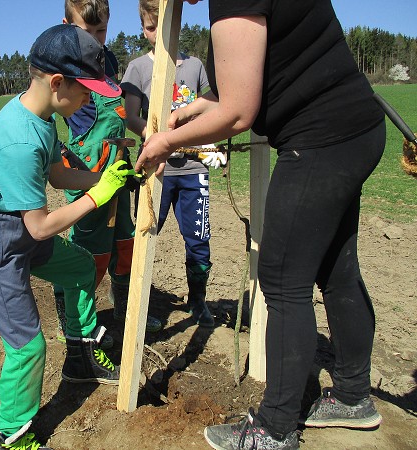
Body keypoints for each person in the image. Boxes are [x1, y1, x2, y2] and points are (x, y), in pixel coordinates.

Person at [137, 0, 386, 448]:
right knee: (337, 269)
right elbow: (249, 78)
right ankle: (353, 396)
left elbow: (237, 113)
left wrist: (167, 141)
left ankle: (273, 428)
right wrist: (190, 110)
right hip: (355, 129)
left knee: (282, 278)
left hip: (319, 140)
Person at [0, 24, 136, 450]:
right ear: (57, 84)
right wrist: (98, 195)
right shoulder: (19, 140)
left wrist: (102, 176)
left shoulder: (41, 119)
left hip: (19, 228)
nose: (90, 99)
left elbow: (58, 174)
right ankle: (9, 431)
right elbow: (38, 225)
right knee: (28, 346)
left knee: (77, 269)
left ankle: (79, 354)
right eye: (86, 89)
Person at [54, 0, 162, 346]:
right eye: (89, 32)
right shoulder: (64, 68)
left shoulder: (109, 62)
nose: (97, 40)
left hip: (118, 173)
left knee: (124, 247)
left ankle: (125, 311)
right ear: (67, 24)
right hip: (88, 178)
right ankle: (75, 324)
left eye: (102, 31)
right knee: (90, 254)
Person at [121, 0, 227, 328]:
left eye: (163, 25)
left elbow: (212, 106)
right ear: (143, 28)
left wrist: (205, 139)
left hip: (194, 169)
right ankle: (139, 303)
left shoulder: (195, 67)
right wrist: (157, 140)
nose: (157, 33)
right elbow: (130, 117)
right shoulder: (138, 69)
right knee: (147, 231)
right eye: (151, 27)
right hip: (158, 169)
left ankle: (197, 302)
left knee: (199, 237)